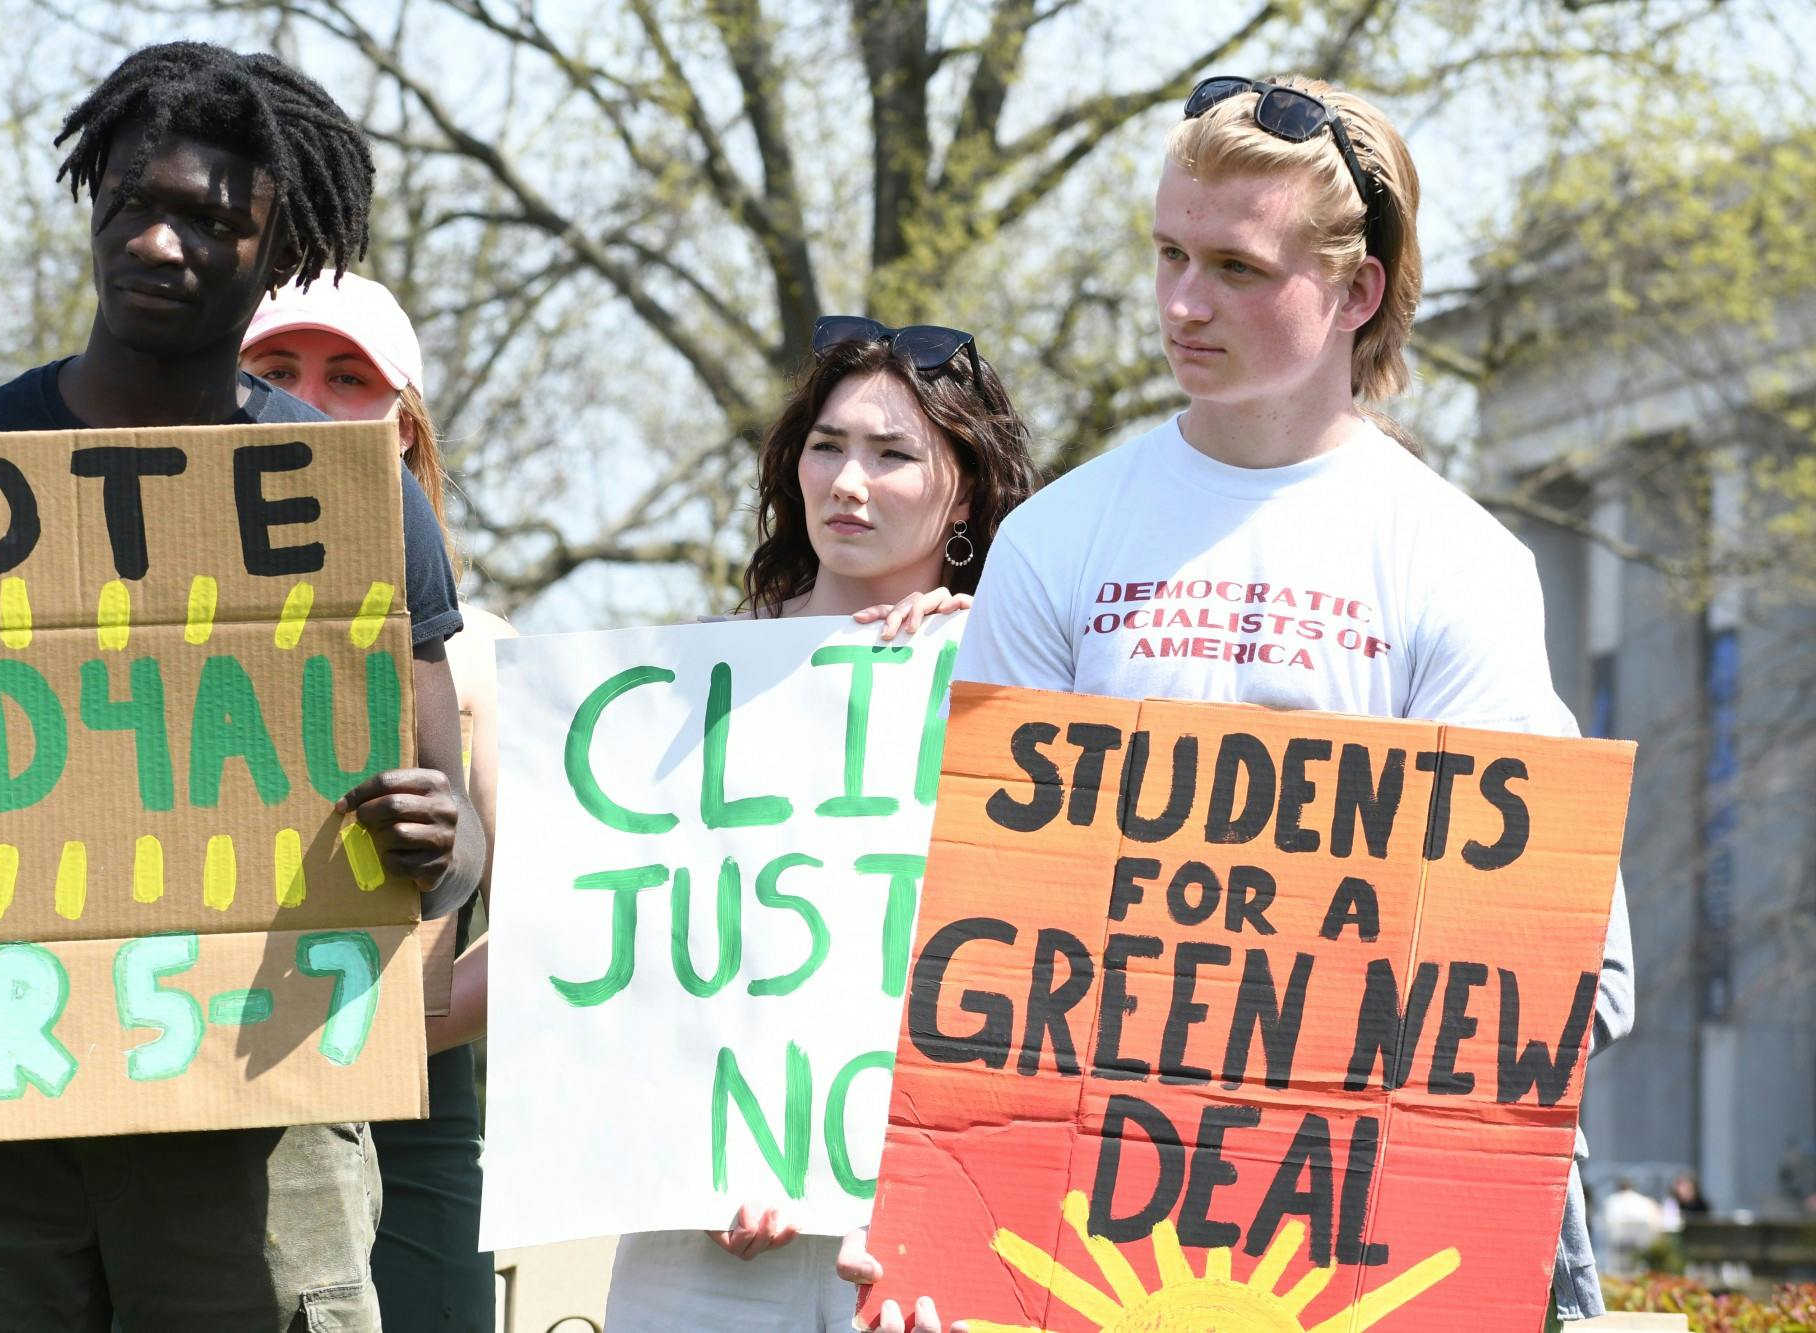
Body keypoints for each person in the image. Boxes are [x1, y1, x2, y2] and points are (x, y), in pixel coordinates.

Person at [840, 76, 1634, 1331]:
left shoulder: (1456, 562)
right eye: (1165, 253)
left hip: (1375, 1241)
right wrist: (948, 1226)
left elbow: (1557, 973)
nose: (1179, 303)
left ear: (1356, 292)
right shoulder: (1055, 543)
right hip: (1082, 1238)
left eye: (1235, 267)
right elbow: (975, 933)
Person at [0, 42, 484, 1332]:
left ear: (275, 247)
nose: (156, 240)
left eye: (207, 218)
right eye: (133, 200)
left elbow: (456, 844)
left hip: (255, 1117)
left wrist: (435, 837)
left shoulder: (349, 503)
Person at [601, 316, 1037, 1332]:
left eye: (892, 455)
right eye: (828, 444)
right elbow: (605, 934)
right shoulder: (672, 687)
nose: (848, 481)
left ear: (966, 490)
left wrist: (994, 657)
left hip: (926, 1227)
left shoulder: (1015, 686)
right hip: (695, 1235)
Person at [242, 271, 513, 1332]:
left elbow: (546, 931)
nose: (306, 403)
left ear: (404, 430)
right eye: (274, 373)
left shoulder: (484, 655)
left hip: (409, 1119)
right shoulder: (138, 658)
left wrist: (372, 1031)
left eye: (347, 379)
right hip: (192, 1117)